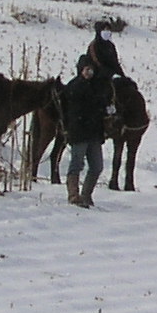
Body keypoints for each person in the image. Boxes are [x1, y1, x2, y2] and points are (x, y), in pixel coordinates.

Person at [59, 54, 110, 208]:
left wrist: (106, 109)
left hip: (94, 134)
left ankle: (86, 195)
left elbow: (99, 106)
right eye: (87, 69)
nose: (89, 72)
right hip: (79, 133)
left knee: (97, 166)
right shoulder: (74, 86)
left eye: (91, 69)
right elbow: (76, 109)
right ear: (80, 70)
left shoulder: (97, 86)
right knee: (76, 164)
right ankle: (73, 195)